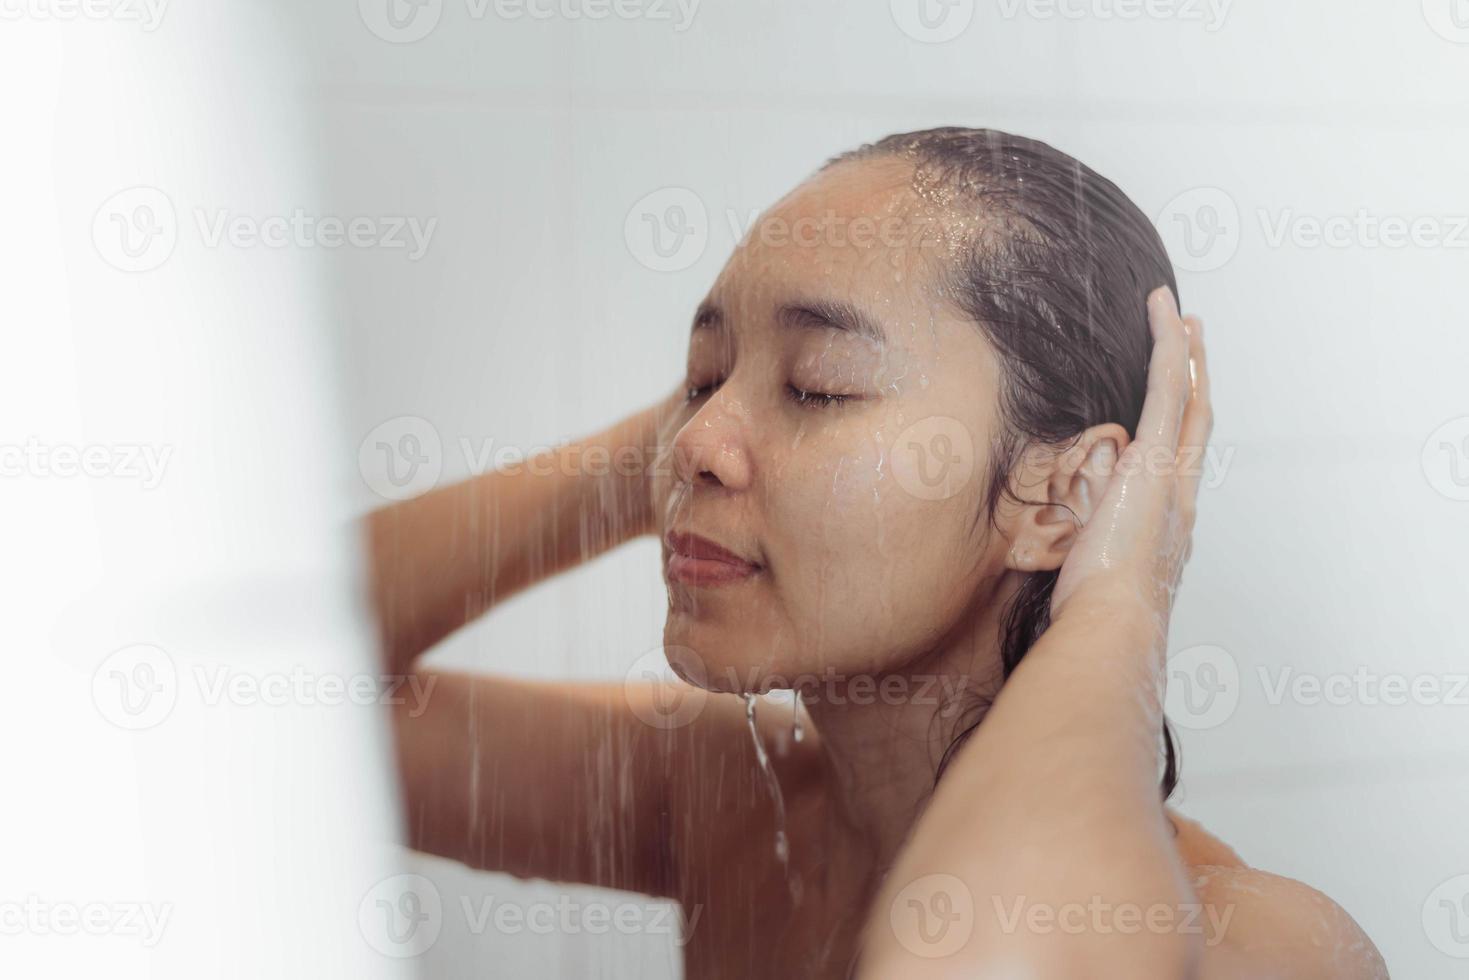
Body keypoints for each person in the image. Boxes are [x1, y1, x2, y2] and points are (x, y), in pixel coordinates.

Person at [367, 128, 1387, 978]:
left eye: (816, 384)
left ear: (1062, 493)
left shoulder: (1262, 947)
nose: (695, 442)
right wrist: (634, 459)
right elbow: (271, 696)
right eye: (701, 375)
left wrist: (1123, 594)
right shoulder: (729, 802)